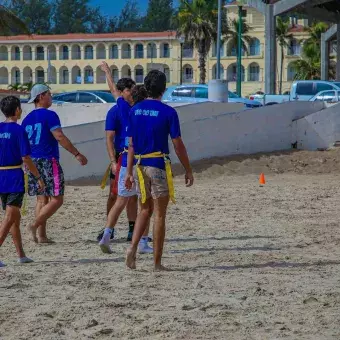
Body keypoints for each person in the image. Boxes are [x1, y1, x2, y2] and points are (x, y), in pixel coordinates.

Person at [125, 70, 194, 271]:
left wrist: (128, 171)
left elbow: (131, 144)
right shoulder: (168, 112)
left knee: (143, 210)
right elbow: (178, 144)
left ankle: (132, 248)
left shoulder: (134, 110)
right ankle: (156, 263)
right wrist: (188, 169)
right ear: (164, 89)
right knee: (160, 215)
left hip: (139, 165)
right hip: (157, 165)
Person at [21, 84, 87, 243]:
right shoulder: (50, 115)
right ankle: (34, 225)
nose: (51, 97)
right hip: (48, 159)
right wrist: (77, 154)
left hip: (32, 161)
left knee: (41, 199)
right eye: (49, 94)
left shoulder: (27, 119)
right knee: (57, 199)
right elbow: (59, 136)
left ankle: (42, 236)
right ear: (41, 96)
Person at [97, 61, 151, 243]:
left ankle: (110, 232)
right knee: (141, 198)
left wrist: (107, 72)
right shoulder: (142, 111)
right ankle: (140, 238)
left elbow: (113, 90)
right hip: (137, 158)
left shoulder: (126, 109)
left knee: (125, 198)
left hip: (129, 158)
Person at [0, 96, 44, 267]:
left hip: (1, 176)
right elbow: (25, 157)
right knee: (10, 216)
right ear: (17, 110)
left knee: (14, 217)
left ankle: (21, 255)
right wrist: (38, 177)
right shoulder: (19, 131)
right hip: (13, 177)